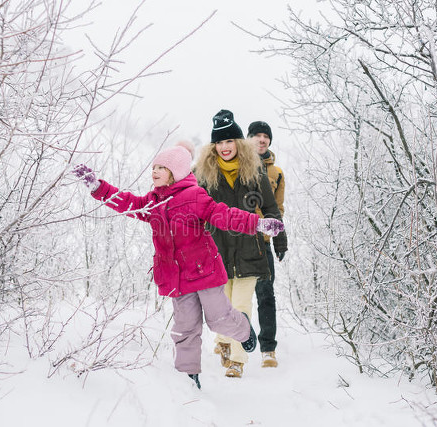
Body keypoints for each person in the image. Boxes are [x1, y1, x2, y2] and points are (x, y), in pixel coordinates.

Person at [72, 140, 283, 389]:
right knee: (185, 330)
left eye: (162, 167)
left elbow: (225, 215)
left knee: (219, 320)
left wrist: (257, 223)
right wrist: (98, 188)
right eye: (154, 167)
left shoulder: (194, 196)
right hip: (176, 279)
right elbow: (128, 203)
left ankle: (244, 330)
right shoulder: (153, 202)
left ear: (176, 172)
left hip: (204, 272)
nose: (155, 171)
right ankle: (188, 380)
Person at [194, 110, 287, 378]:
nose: (224, 147)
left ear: (238, 142)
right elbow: (191, 208)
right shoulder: (203, 175)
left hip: (250, 247)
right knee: (223, 307)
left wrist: (280, 240)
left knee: (242, 305)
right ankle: (223, 340)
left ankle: (237, 360)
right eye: (219, 143)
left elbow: (270, 208)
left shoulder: (255, 171)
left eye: (229, 141)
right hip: (218, 250)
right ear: (213, 147)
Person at [248, 120, 286, 368]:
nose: (262, 140)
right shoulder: (236, 166)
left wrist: (280, 239)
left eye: (266, 136)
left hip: (262, 243)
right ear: (248, 138)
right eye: (257, 135)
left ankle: (268, 349)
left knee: (265, 295)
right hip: (236, 240)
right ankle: (228, 341)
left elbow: (278, 208)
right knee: (230, 294)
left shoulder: (277, 173)